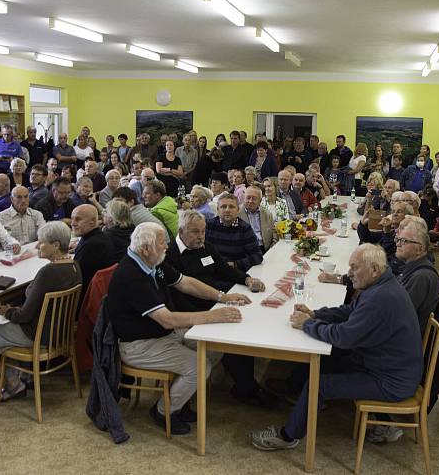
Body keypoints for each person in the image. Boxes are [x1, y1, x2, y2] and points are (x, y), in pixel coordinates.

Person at [250, 244, 423, 451]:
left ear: (374, 269)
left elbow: (342, 337)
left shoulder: (380, 298)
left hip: (390, 380)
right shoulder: (382, 285)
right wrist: (316, 314)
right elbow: (351, 311)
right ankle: (299, 393)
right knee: (325, 360)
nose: (349, 274)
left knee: (319, 383)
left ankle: (288, 436)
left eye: (354, 268)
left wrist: (307, 324)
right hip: (388, 366)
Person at [106, 222, 250, 434]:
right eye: (162, 242)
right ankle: (164, 411)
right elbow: (168, 320)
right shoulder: (131, 274)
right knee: (199, 366)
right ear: (146, 248)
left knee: (214, 347)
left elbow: (186, 283)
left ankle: (179, 401)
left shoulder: (152, 262)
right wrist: (212, 316)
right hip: (139, 345)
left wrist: (222, 296)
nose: (167, 246)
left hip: (162, 335)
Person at [166, 210, 274, 407]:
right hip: (193, 312)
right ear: (181, 231)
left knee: (244, 323)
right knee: (233, 334)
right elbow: (178, 297)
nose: (201, 236)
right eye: (195, 232)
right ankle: (247, 389)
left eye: (203, 231)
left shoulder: (204, 246)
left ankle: (245, 385)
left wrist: (246, 279)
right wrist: (208, 315)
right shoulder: (170, 255)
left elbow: (224, 268)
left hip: (215, 299)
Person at [0, 221, 81, 399]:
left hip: (37, 334)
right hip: (58, 332)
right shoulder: (74, 266)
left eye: (41, 241)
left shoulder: (48, 273)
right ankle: (18, 376)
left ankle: (8, 384)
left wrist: (7, 311)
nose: (37, 245)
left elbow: (25, 315)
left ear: (56, 245)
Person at [205, 193, 263, 272]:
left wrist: (235, 264)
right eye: (223, 207)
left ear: (238, 210)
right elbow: (202, 252)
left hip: (235, 272)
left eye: (231, 207)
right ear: (218, 210)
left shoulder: (245, 229)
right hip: (212, 271)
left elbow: (257, 256)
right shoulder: (208, 226)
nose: (227, 210)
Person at [71, 204, 116, 297]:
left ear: (92, 222)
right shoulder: (100, 237)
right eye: (72, 219)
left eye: (78, 219)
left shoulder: (91, 246)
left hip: (84, 299)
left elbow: (74, 277)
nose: (72, 223)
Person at [238, 185, 277, 253]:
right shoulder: (236, 213)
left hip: (264, 249)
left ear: (260, 201)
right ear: (244, 198)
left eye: (254, 198)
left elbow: (274, 236)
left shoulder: (267, 214)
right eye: (248, 197)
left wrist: (270, 252)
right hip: (244, 251)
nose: (250, 201)